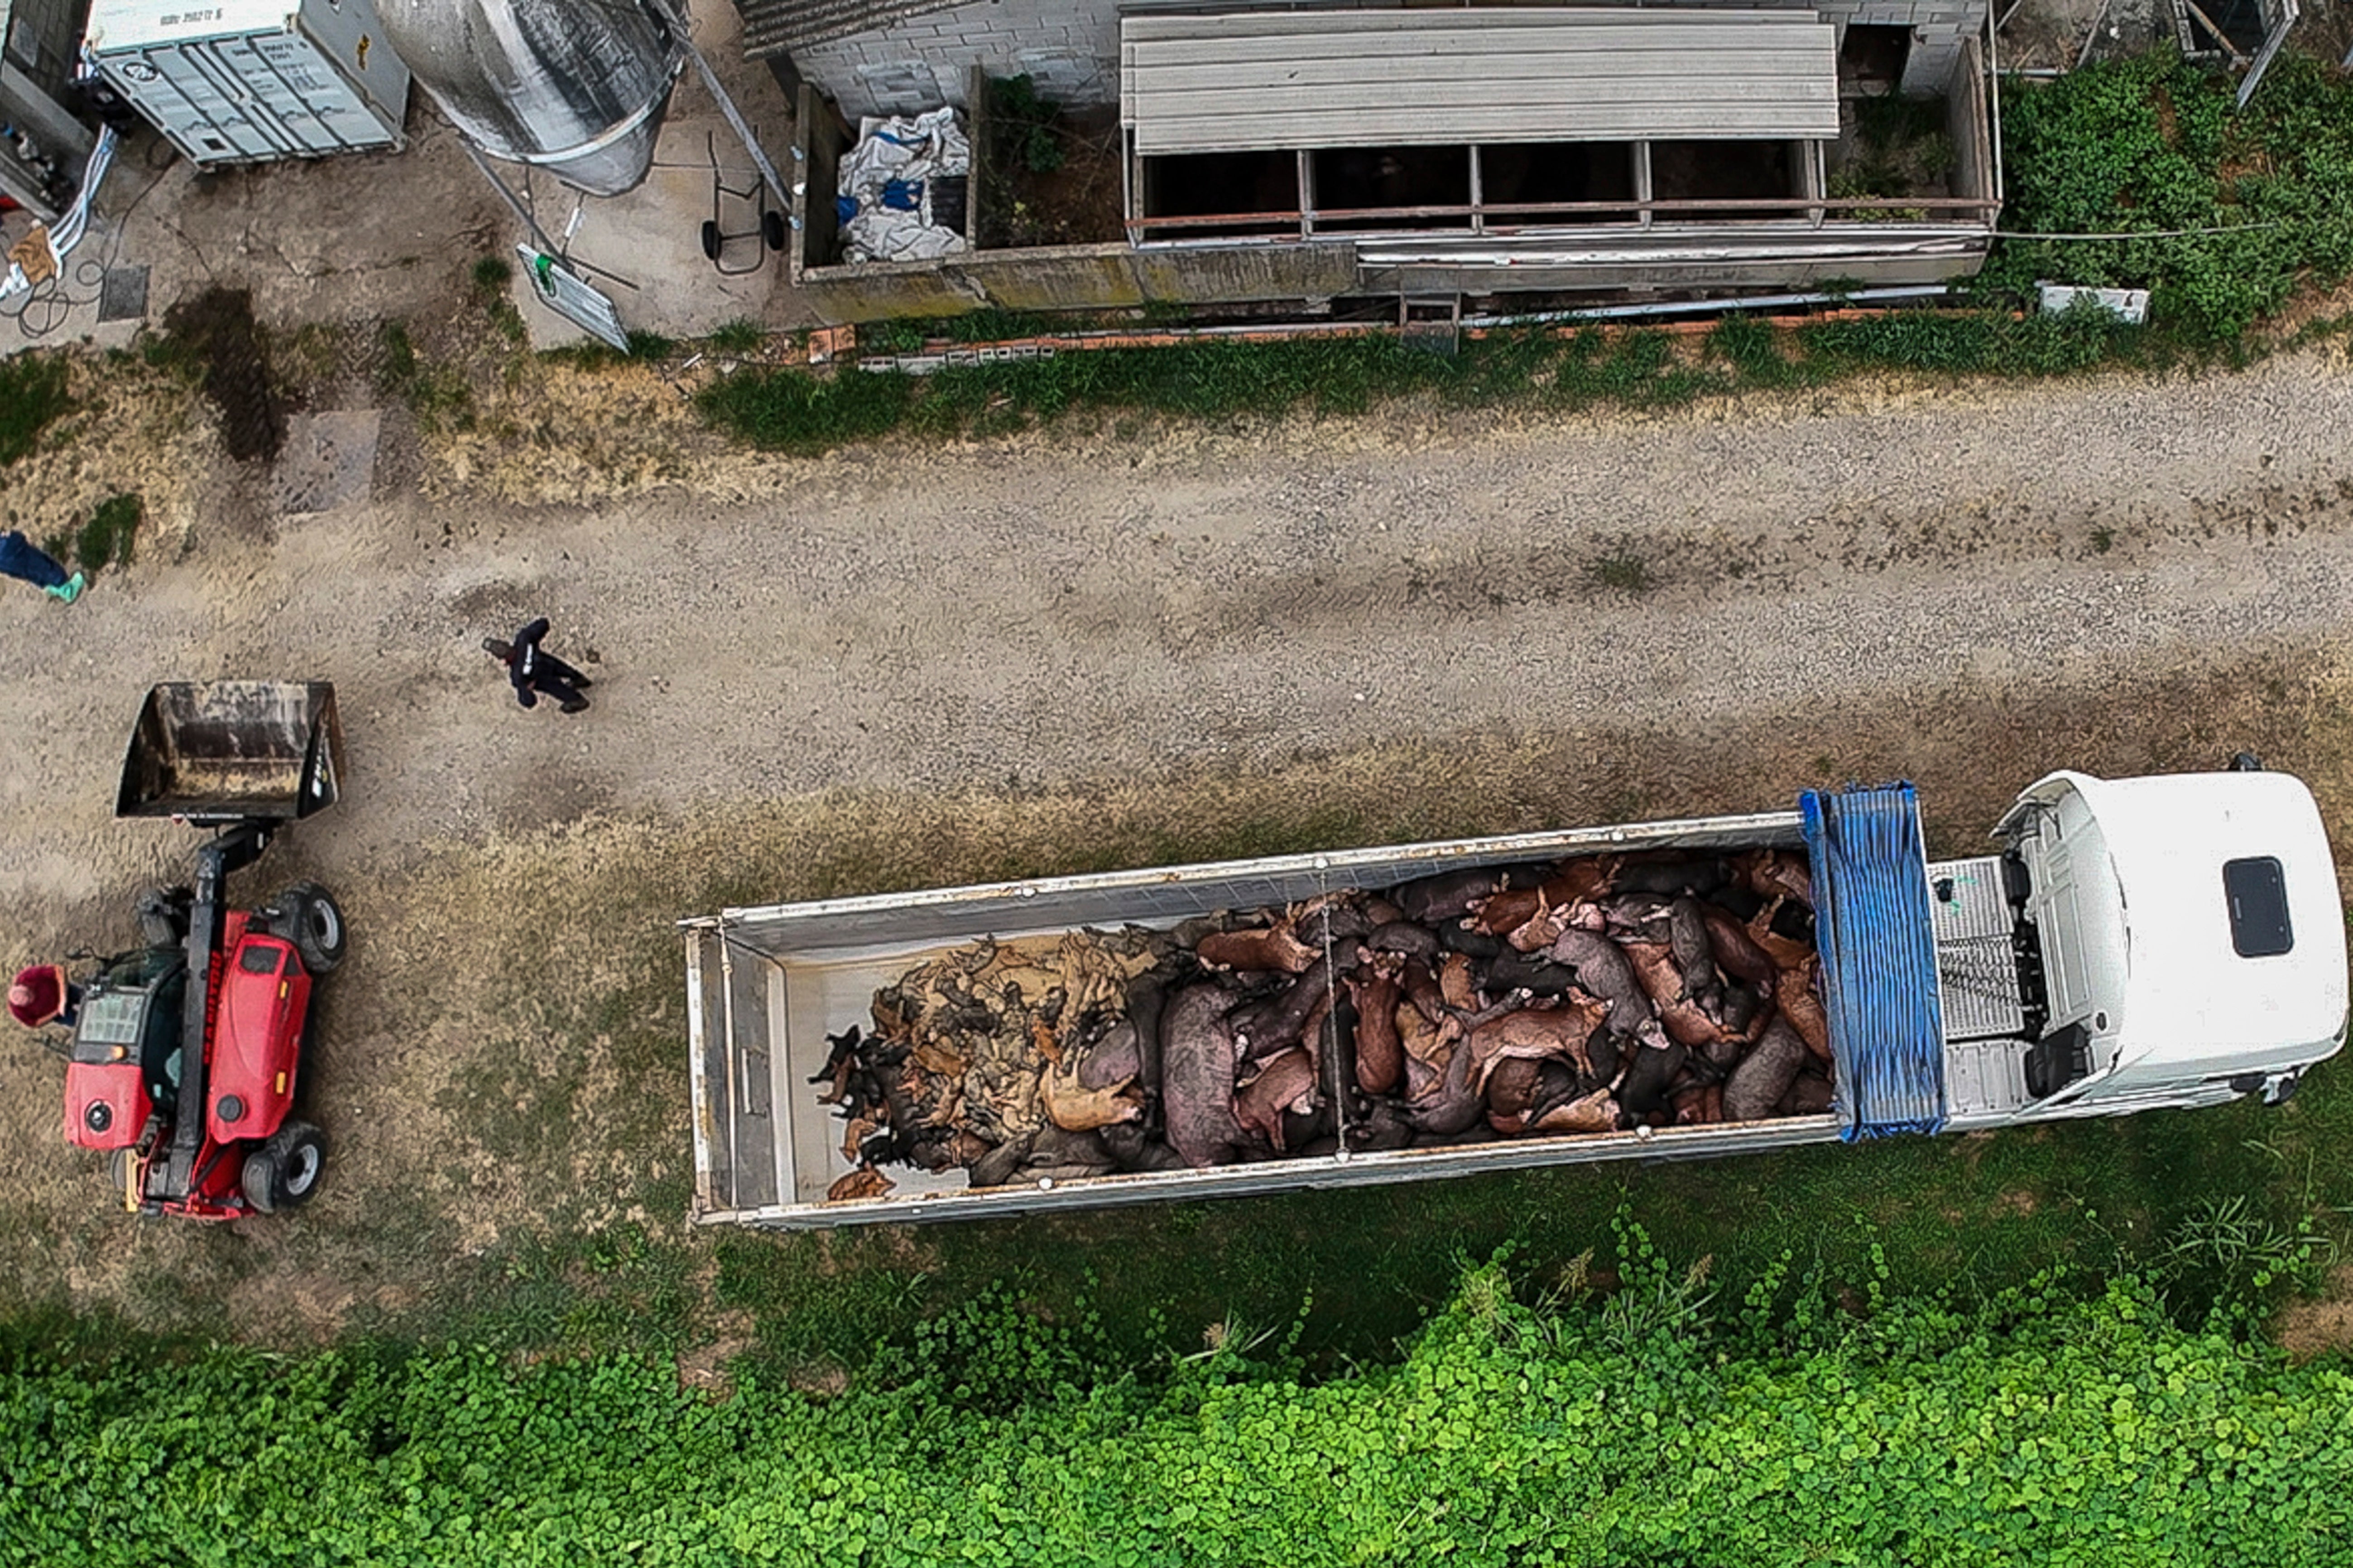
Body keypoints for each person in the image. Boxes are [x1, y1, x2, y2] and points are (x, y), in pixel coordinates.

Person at [482, 617, 592, 714]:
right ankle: (581, 680)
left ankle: (578, 701)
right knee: (563, 669)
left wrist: (528, 689)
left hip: (541, 679)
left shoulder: (517, 675)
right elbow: (544, 624)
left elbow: (529, 702)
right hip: (548, 663)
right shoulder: (524, 639)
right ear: (507, 643)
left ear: (502, 659)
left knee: (556, 688)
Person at [0, 530, 83, 604]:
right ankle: (67, 590)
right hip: (8, 550)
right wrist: (13, 537)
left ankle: (52, 588)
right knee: (41, 564)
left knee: (28, 572)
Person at [8, 964, 82, 1030]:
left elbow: (59, 970)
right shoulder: (17, 1011)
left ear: (28, 987)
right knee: (81, 1024)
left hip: (64, 991)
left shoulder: (28, 976)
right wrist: (56, 1013)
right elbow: (35, 1023)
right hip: (58, 1013)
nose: (33, 999)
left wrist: (63, 997)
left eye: (31, 995)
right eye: (30, 1002)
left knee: (89, 997)